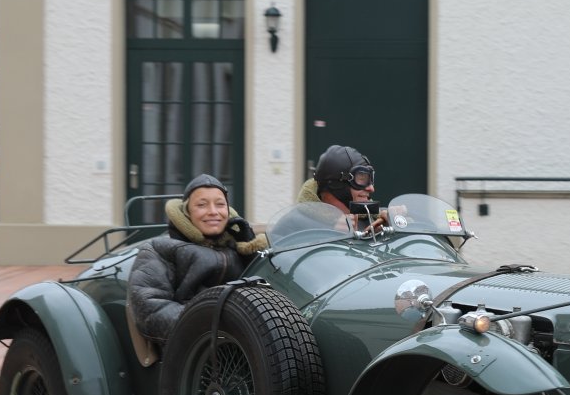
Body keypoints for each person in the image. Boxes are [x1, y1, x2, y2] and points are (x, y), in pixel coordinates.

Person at [129, 174, 268, 343]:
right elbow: (151, 312)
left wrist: (250, 247)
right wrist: (219, 326)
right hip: (194, 349)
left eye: (220, 204)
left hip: (250, 344)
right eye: (202, 205)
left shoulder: (238, 248)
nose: (213, 212)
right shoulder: (158, 250)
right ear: (186, 212)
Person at [296, 144, 384, 232]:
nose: (371, 188)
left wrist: (389, 224)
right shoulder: (297, 224)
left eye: (370, 179)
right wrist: (334, 234)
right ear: (337, 185)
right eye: (361, 179)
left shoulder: (372, 220)